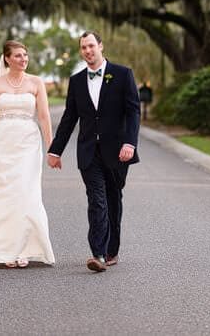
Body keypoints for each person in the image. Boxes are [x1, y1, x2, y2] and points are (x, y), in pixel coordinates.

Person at [47, 31, 141, 273]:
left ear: (100, 46)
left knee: (113, 199)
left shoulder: (122, 74)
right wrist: (55, 150)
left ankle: (112, 249)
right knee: (96, 200)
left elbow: (133, 112)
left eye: (91, 46)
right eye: (83, 48)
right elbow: (69, 118)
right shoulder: (77, 80)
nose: (88, 51)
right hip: (88, 152)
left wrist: (130, 143)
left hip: (118, 151)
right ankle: (97, 253)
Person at [0, 40, 57, 268]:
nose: (23, 59)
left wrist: (52, 147)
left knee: (26, 193)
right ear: (7, 58)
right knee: (2, 194)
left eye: (25, 55)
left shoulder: (36, 82)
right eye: (18, 55)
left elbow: (45, 116)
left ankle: (23, 249)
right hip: (2, 143)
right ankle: (3, 250)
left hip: (28, 143)